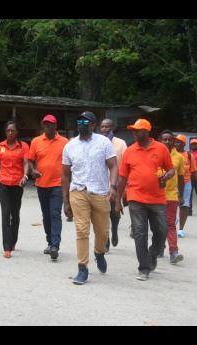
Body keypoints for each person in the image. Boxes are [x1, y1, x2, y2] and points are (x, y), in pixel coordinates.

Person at [62, 111, 118, 285]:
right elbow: (65, 175)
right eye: (79, 121)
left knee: (102, 232)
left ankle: (99, 252)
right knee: (81, 230)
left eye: (85, 122)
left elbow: (114, 166)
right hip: (78, 192)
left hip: (101, 192)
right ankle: (82, 268)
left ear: (93, 125)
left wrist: (113, 186)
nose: (81, 124)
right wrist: (65, 201)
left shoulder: (104, 143)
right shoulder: (70, 146)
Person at [115, 119, 174, 281]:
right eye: (133, 130)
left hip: (157, 199)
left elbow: (171, 169)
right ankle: (144, 267)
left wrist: (167, 176)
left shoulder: (161, 148)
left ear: (147, 132)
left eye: (137, 130)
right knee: (140, 233)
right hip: (136, 198)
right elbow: (122, 178)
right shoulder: (129, 151)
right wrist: (117, 200)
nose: (133, 133)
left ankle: (152, 254)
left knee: (161, 233)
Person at [28, 114, 69, 261]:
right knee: (46, 216)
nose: (48, 126)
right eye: (45, 124)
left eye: (50, 124)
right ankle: (50, 242)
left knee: (55, 214)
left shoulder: (65, 142)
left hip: (58, 185)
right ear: (42, 126)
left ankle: (55, 246)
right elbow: (30, 161)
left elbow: (70, 162)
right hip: (41, 185)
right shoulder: (36, 141)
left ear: (55, 126)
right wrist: (32, 170)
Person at [0, 121, 29, 258]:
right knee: (5, 213)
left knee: (15, 214)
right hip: (3, 183)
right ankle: (6, 247)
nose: (10, 133)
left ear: (17, 132)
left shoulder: (23, 146)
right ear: (5, 132)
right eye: (8, 130)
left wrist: (25, 176)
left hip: (18, 184)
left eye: (13, 130)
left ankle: (13, 240)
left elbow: (26, 163)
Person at [100, 118, 127, 251]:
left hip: (115, 184)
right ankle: (106, 239)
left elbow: (126, 164)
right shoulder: (97, 142)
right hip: (100, 185)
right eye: (103, 126)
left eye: (107, 127)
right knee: (103, 213)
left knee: (114, 212)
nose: (105, 129)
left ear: (113, 128)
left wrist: (124, 186)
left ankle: (114, 230)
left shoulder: (121, 144)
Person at [159, 130, 185, 264]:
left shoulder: (179, 157)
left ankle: (173, 252)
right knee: (158, 224)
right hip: (155, 196)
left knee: (170, 224)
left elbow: (181, 178)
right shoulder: (154, 154)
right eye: (165, 139)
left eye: (170, 140)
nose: (168, 142)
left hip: (171, 196)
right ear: (160, 141)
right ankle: (159, 247)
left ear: (174, 141)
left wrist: (181, 195)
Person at [174, 134, 197, 238]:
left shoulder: (188, 155)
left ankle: (181, 229)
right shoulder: (170, 153)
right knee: (170, 203)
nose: (175, 143)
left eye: (178, 142)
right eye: (175, 141)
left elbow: (194, 172)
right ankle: (172, 222)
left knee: (184, 205)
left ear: (183, 144)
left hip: (186, 183)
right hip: (172, 183)